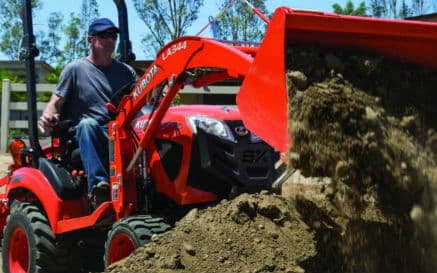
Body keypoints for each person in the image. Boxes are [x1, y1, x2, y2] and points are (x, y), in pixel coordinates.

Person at [38, 18, 137, 207]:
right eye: (103, 35)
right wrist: (47, 116)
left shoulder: (127, 72)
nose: (110, 40)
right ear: (90, 39)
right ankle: (99, 188)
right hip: (90, 134)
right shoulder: (75, 69)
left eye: (113, 36)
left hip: (121, 131)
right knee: (87, 124)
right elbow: (55, 103)